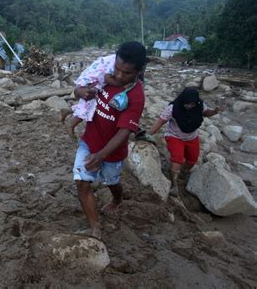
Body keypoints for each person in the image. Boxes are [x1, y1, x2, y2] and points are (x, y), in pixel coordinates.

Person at [73, 41, 147, 239]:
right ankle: (95, 228)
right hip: (89, 141)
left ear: (139, 71)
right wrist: (81, 92)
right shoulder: (106, 74)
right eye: (118, 69)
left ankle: (117, 198)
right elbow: (79, 90)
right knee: (82, 183)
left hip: (112, 152)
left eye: (127, 73)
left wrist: (101, 155)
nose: (119, 76)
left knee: (111, 181)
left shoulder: (136, 96)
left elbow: (125, 132)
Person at [147, 87, 220, 196]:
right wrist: (148, 134)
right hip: (174, 136)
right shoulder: (173, 108)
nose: (190, 106)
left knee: (192, 159)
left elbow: (206, 112)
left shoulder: (199, 105)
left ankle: (183, 174)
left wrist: (214, 111)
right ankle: (174, 185)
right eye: (188, 103)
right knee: (177, 160)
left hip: (192, 136)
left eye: (193, 104)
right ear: (183, 100)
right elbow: (160, 122)